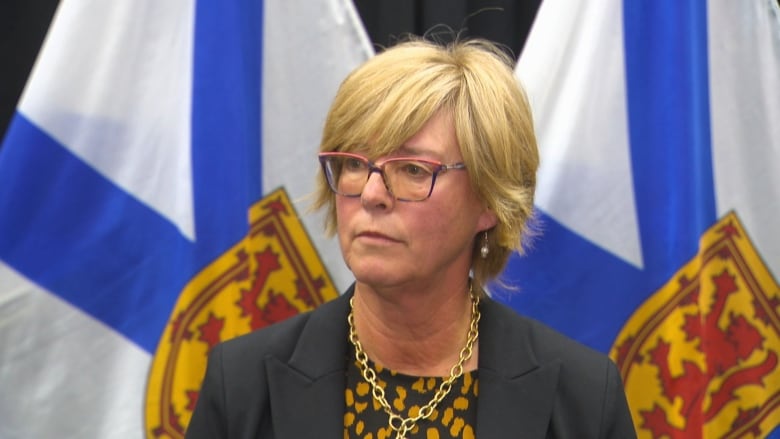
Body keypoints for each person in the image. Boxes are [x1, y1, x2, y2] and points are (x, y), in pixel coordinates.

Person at [186, 37, 636, 439]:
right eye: (356, 164)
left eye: (414, 170)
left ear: (488, 201)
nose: (372, 193)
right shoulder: (244, 385)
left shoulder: (581, 399)